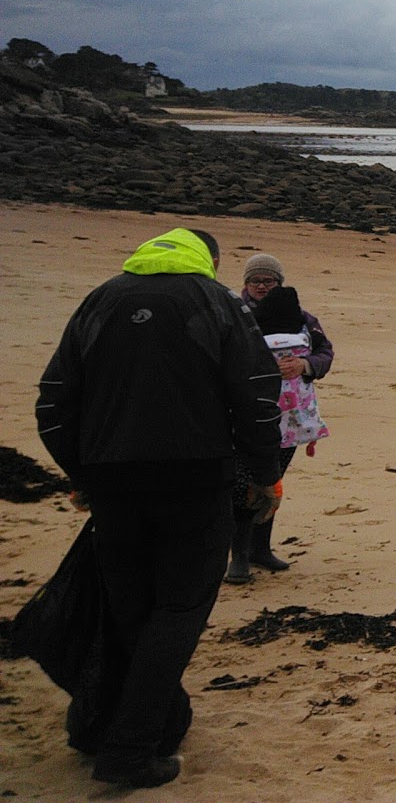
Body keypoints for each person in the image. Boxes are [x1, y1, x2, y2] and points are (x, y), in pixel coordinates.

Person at [36, 227, 283, 788]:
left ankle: (137, 721)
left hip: (114, 485)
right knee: (178, 608)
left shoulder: (100, 299)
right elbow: (257, 394)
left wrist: (82, 474)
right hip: (194, 483)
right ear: (210, 263)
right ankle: (130, 747)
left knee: (132, 607)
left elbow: (53, 403)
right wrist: (264, 476)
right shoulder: (217, 302)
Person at [227, 252, 334, 583]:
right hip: (245, 416)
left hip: (291, 419)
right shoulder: (232, 314)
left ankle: (261, 550)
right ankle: (238, 558)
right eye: (255, 280)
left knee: (272, 479)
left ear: (279, 283)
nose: (261, 286)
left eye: (268, 281)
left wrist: (306, 366)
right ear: (245, 284)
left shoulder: (301, 317)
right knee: (245, 484)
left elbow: (325, 351)